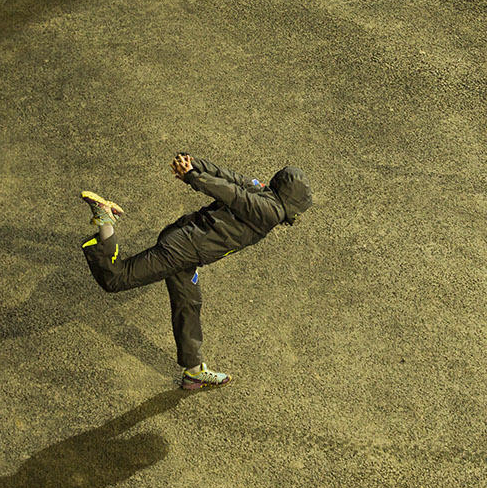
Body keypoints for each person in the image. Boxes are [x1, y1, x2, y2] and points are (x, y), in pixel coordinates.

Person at [79, 154, 313, 390]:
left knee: (189, 303)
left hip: (186, 247)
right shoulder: (270, 212)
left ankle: (194, 372)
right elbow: (230, 192)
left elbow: (228, 177)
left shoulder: (261, 190)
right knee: (115, 278)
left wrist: (195, 164)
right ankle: (105, 220)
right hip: (182, 250)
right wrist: (193, 176)